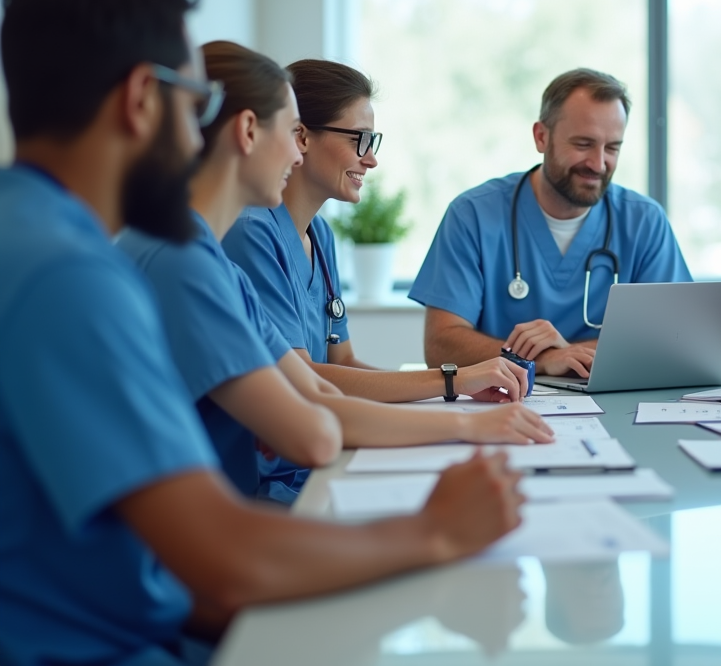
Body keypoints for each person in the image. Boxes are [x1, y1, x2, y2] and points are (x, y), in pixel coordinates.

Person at [0, 0, 522, 666]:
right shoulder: (74, 279)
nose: (199, 135)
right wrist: (435, 532)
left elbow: (307, 402)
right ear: (141, 100)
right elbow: (222, 551)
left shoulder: (36, 239)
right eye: (198, 105)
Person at [118, 40, 553, 499]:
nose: (295, 152)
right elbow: (314, 423)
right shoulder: (192, 257)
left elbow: (318, 394)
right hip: (234, 506)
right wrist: (457, 399)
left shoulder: (218, 264)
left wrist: (466, 417)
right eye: (291, 132)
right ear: (250, 131)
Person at [411, 68, 692, 377]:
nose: (599, 164)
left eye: (612, 147)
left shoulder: (644, 221)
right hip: (499, 407)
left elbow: (675, 340)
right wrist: (539, 360)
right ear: (541, 136)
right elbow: (440, 345)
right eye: (584, 144)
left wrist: (567, 354)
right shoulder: (472, 215)